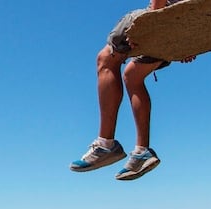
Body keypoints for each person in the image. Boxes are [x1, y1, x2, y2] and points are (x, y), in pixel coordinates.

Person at [70, 1, 195, 181]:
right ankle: (141, 152)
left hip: (166, 14)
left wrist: (150, 25)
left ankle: (105, 144)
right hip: (186, 21)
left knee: (106, 59)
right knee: (132, 76)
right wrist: (189, 41)